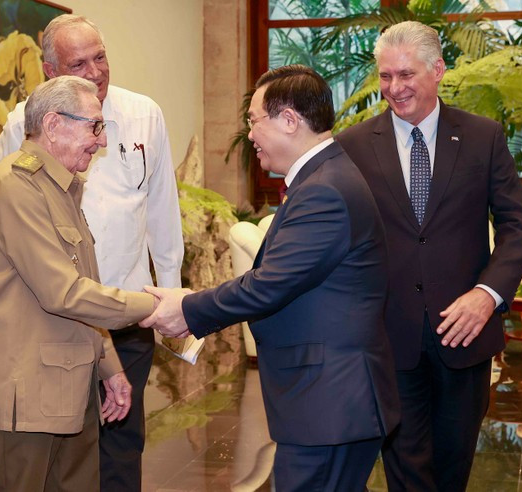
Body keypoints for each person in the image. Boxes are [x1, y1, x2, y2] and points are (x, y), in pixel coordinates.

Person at [142, 65, 400, 491]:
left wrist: (187, 308)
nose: (249, 135)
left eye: (253, 121)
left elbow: (269, 284)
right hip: (329, 401)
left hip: (329, 402)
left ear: (290, 120)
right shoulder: (324, 178)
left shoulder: (324, 190)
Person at [0, 14, 183, 491]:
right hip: (45, 335)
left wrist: (168, 300)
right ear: (50, 74)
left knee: (111, 449)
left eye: (101, 57)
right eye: (79, 63)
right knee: (38, 462)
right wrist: (164, 306)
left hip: (116, 323)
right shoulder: (19, 162)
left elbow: (162, 214)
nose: (95, 71)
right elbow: (55, 282)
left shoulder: (142, 115)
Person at [337, 21, 522, 491]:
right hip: (389, 338)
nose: (394, 88)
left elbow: (518, 225)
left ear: (438, 70)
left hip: (465, 338)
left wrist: (487, 295)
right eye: (386, 76)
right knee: (406, 471)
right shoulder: (353, 146)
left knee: (452, 469)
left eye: (406, 74)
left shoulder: (483, 137)